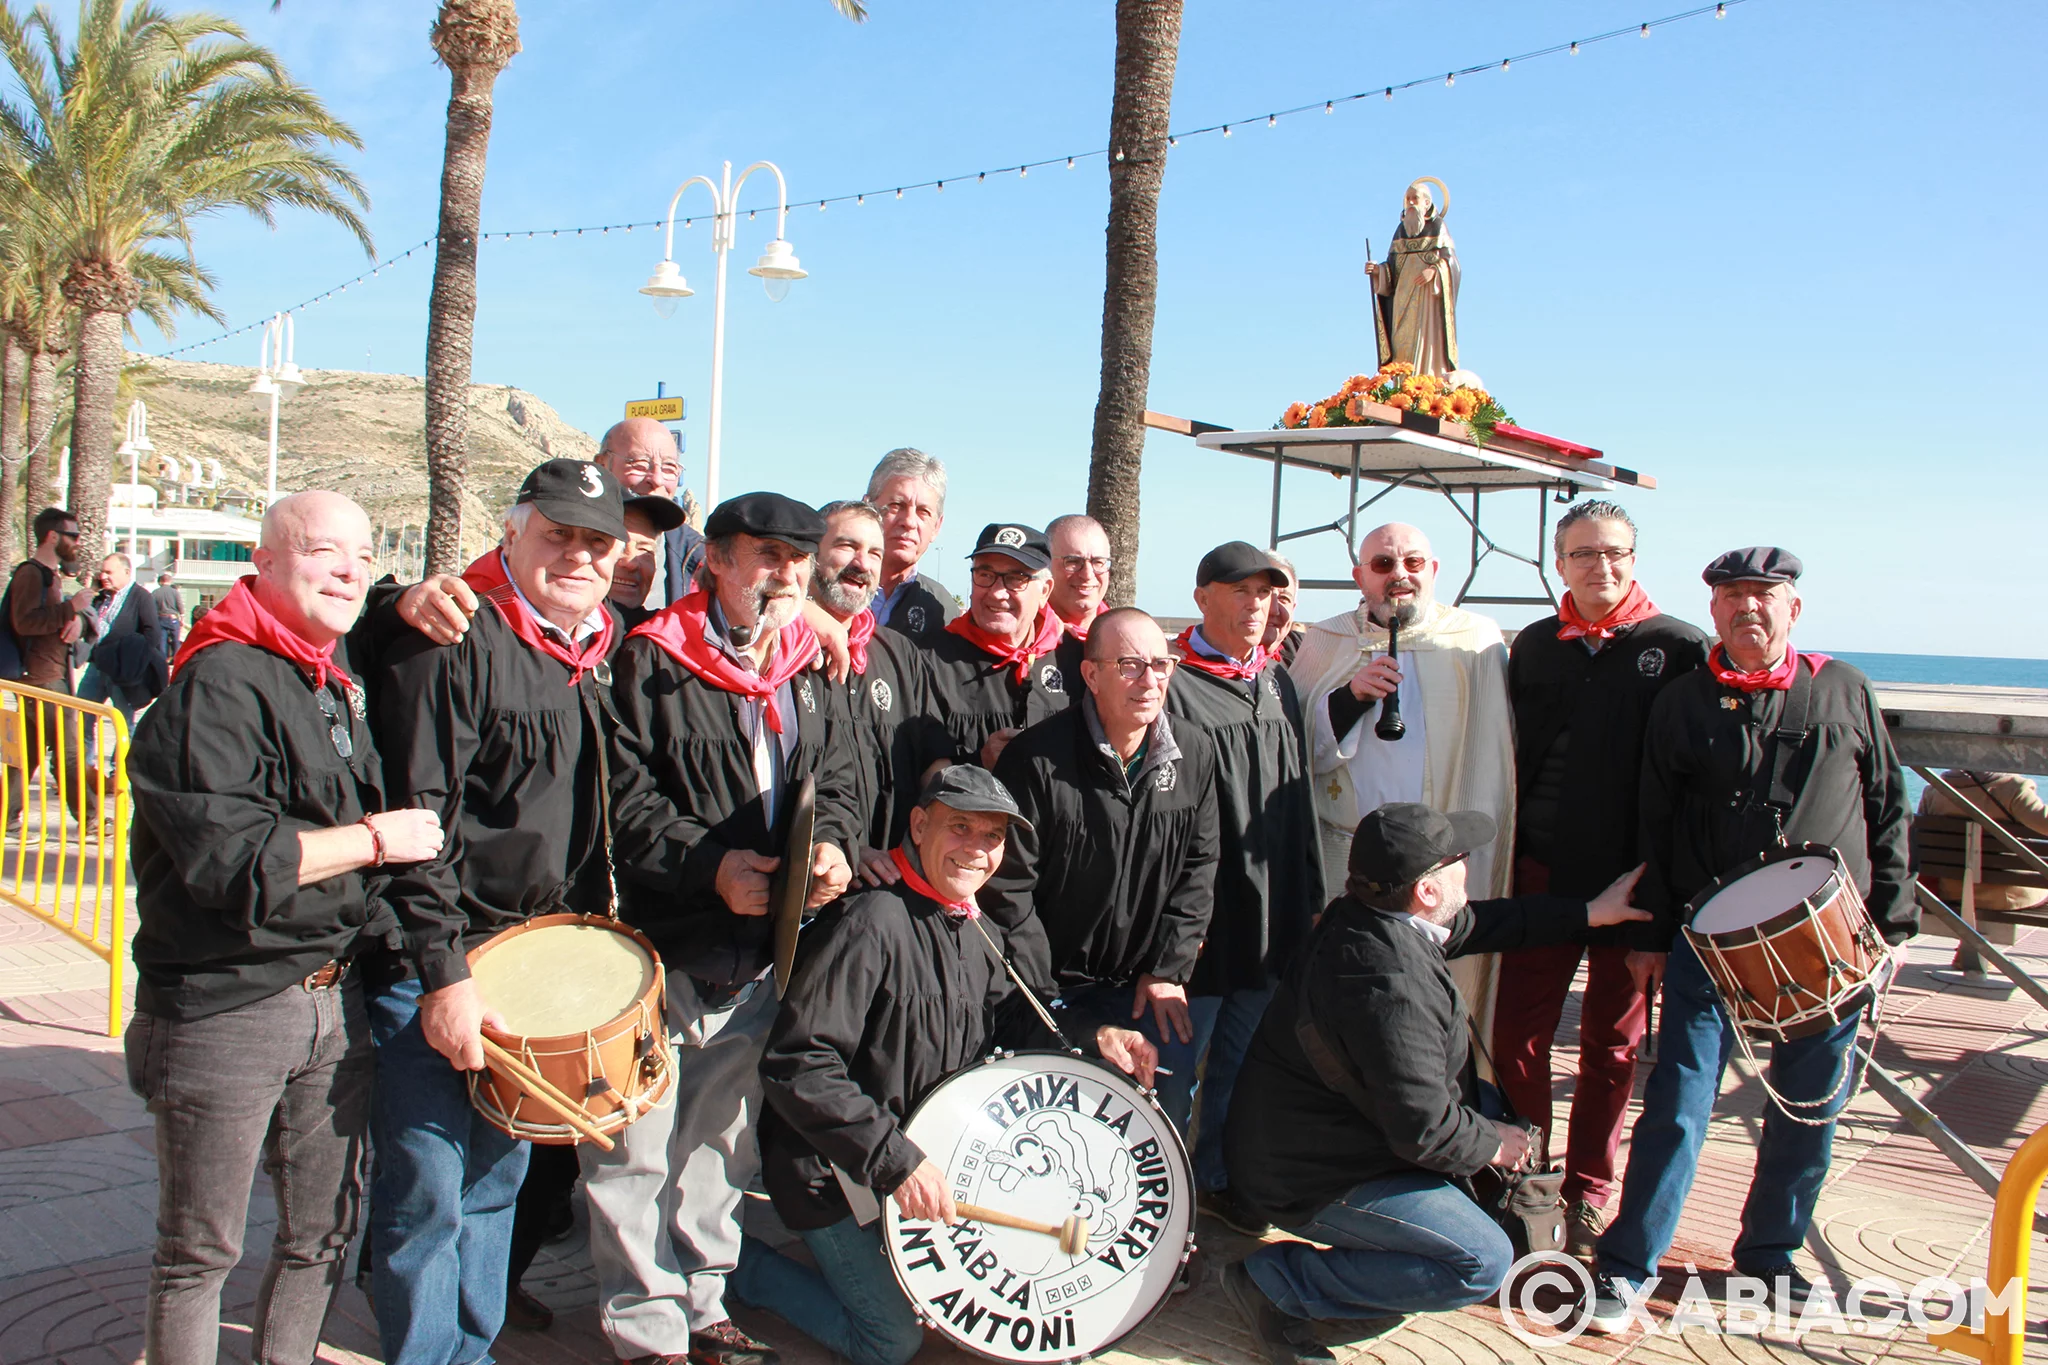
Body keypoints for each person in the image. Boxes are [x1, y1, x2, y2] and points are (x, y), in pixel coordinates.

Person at [126, 490, 444, 1365]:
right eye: (320, 550)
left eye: (363, 552)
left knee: (324, 1233)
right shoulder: (221, 678)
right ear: (262, 566)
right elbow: (229, 859)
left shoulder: (324, 675)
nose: (348, 568)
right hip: (226, 1004)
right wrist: (378, 838)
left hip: (330, 1000)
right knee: (200, 1253)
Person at [1588, 546, 1915, 1331]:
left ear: (1792, 609)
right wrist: (1654, 934)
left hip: (1826, 941)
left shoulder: (1844, 687)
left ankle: (1769, 1253)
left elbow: (1889, 802)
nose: (1749, 610)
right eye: (1733, 597)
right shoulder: (1683, 701)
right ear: (1714, 612)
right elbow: (1655, 822)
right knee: (1677, 1101)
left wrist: (1896, 924)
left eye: (1764, 597)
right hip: (1706, 941)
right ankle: (1628, 1264)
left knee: (1808, 1105)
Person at [735, 765, 1158, 1365]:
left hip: (917, 1160)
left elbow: (1012, 1021)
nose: (977, 851)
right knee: (893, 1341)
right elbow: (797, 1061)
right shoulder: (870, 922)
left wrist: (1098, 1037)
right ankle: (742, 1269)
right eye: (960, 828)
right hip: (831, 1174)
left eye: (992, 838)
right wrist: (893, 1161)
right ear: (918, 825)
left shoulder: (973, 927)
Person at [1220, 804, 1649, 1363]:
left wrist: (1590, 913)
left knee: (1484, 1155)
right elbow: (1423, 1129)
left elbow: (1486, 923)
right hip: (1309, 1175)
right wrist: (1497, 1142)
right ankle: (1280, 1282)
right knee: (1480, 1260)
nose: (1469, 865)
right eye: (1458, 859)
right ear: (1424, 889)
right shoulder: (1387, 983)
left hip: (1324, 1139)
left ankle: (1360, 1273)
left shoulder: (1372, 915)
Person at [370, 459, 631, 1365]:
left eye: (597, 542)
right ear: (512, 532)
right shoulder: (452, 637)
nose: (579, 555)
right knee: (426, 1195)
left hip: (533, 965)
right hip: (438, 964)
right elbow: (416, 822)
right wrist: (442, 975)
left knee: (494, 1183)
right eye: (558, 533)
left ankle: (469, 1350)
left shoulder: (596, 651)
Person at [594, 492, 862, 1365]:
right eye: (765, 553)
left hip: (766, 954)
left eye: (797, 556)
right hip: (668, 944)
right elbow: (623, 802)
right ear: (714, 559)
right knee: (635, 1149)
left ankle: (705, 1302)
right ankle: (646, 1329)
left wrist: (830, 847)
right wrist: (710, 868)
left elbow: (847, 779)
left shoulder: (811, 663)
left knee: (718, 1141)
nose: (784, 571)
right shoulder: (653, 661)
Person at [1488, 501, 1709, 1256]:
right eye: (1583, 553)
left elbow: (1690, 782)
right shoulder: (1537, 645)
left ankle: (1588, 1187)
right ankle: (1524, 1174)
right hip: (1542, 875)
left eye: (1613, 552)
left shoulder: (1678, 646)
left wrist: (1661, 913)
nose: (1600, 567)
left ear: (1634, 558)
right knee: (1515, 1032)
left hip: (1633, 883)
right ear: (1560, 562)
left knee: (1610, 1047)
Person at [982, 606, 1220, 1130]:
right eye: (1131, 665)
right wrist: (1052, 1005)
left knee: (1159, 1116)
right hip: (1047, 987)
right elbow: (1008, 891)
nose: (1150, 680)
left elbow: (1200, 867)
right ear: (1091, 675)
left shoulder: (1196, 753)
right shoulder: (1036, 760)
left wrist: (1168, 969)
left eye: (1161, 664)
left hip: (1143, 985)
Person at [1290, 522, 1514, 1062]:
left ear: (1434, 571)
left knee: (1427, 1006)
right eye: (1384, 565)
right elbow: (1289, 746)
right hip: (1343, 849)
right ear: (1359, 575)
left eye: (1413, 563)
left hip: (1434, 862)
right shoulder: (1328, 639)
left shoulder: (1475, 640)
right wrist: (1347, 699)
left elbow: (1493, 761)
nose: (1400, 576)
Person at [1164, 540, 1325, 1235]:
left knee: (1239, 1060)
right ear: (1203, 597)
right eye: (1240, 590)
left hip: (1272, 914)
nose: (1256, 605)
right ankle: (1157, 1199)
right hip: (1208, 915)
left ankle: (1216, 1179)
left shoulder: (1276, 680)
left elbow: (1298, 797)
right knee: (1175, 1070)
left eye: (1265, 592)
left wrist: (1309, 896)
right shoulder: (1171, 683)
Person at [807, 499, 948, 882]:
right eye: (846, 546)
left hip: (896, 877)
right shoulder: (781, 651)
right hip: (811, 881)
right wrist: (846, 851)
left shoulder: (900, 654)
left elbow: (933, 756)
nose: (862, 563)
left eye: (874, 553)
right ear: (811, 556)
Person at [923, 523, 1072, 771]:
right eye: (985, 575)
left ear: (1044, 591)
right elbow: (917, 773)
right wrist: (979, 762)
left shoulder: (1074, 661)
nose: (997, 593)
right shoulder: (930, 663)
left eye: (1016, 579)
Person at [7, 506, 96, 823]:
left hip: (47, 676)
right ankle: (90, 818)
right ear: (52, 536)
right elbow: (25, 622)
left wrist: (76, 623)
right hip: (43, 680)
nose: (77, 542)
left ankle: (7, 815)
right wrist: (70, 607)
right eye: (72, 535)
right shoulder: (31, 574)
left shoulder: (51, 577)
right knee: (69, 753)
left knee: (27, 754)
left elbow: (63, 620)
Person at [596, 415, 703, 604]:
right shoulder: (568, 539)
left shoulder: (698, 558)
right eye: (639, 465)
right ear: (602, 465)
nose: (657, 479)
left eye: (669, 468)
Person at [1365, 178, 1460, 378]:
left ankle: (1426, 381)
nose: (1410, 203)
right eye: (1407, 199)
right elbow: (1392, 269)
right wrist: (1378, 271)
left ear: (1427, 203)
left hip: (1427, 299)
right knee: (1401, 341)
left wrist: (1434, 271)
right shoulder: (1400, 231)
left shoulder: (1438, 228)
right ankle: (1403, 383)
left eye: (1415, 198)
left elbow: (1451, 263)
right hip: (1401, 300)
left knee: (1425, 340)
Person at [1917, 771, 2048, 913]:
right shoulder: (2013, 790)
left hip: (1953, 892)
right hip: (2007, 897)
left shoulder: (1933, 791)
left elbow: (1920, 839)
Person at [865, 448, 957, 641]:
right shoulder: (826, 585)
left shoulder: (942, 609)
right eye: (896, 505)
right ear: (868, 508)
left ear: (937, 527)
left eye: (923, 511)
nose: (909, 521)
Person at [78, 552, 167, 735]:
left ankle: (123, 763)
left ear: (126, 572)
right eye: (102, 572)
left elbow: (152, 634)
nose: (103, 577)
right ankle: (84, 763)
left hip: (121, 670)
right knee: (82, 717)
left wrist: (134, 661)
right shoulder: (102, 597)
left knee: (123, 724)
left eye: (109, 572)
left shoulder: (141, 597)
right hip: (96, 667)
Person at [608, 492, 689, 631]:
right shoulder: (566, 641)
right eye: (618, 546)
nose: (631, 563)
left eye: (645, 550)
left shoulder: (667, 640)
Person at [1046, 512, 1112, 640]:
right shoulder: (1023, 638)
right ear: (1045, 565)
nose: (1087, 574)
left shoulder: (1123, 637)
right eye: (1073, 562)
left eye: (1098, 562)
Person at [1264, 553, 1304, 669]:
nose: (1274, 610)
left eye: (1284, 598)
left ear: (1293, 608)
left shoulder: (1306, 651)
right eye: (1265, 594)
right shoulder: (1216, 660)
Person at [153, 569, 185, 652]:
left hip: (160, 618)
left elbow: (152, 607)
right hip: (172, 618)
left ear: (160, 582)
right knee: (175, 641)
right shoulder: (175, 592)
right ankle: (176, 660)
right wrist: (182, 618)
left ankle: (162, 660)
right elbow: (180, 605)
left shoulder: (155, 592)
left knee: (162, 641)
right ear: (170, 581)